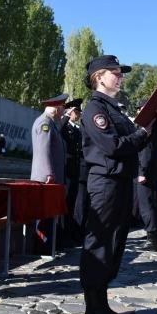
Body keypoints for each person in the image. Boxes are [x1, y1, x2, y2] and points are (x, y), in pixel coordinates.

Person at [79, 55, 157, 314]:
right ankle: (93, 312)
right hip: (105, 183)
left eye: (121, 72)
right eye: (115, 72)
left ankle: (102, 307)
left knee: (114, 244)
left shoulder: (114, 109)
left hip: (120, 182)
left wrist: (156, 122)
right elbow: (113, 146)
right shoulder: (95, 108)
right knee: (100, 244)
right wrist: (142, 133)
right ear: (99, 77)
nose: (121, 77)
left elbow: (139, 141)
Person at [30, 93, 67, 252]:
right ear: (56, 109)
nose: (63, 113)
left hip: (51, 178)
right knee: (43, 215)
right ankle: (42, 247)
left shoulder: (51, 124)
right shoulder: (44, 123)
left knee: (50, 214)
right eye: (63, 109)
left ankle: (50, 246)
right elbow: (43, 150)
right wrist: (48, 173)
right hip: (46, 179)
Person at [135, 100, 157, 251]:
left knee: (146, 206)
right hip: (152, 172)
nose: (138, 112)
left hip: (145, 173)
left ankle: (152, 240)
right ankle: (153, 236)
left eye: (140, 110)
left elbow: (145, 153)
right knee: (151, 204)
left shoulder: (148, 128)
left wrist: (141, 173)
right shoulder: (154, 126)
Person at [60, 98, 84, 246]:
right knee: (67, 203)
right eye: (77, 112)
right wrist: (66, 116)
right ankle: (64, 235)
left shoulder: (76, 129)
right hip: (67, 170)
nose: (79, 114)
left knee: (72, 204)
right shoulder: (64, 126)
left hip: (75, 170)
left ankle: (70, 235)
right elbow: (59, 130)